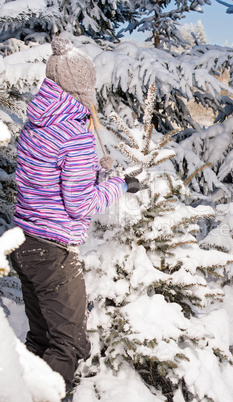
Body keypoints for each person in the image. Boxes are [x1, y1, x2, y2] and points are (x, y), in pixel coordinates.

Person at [10, 37, 137, 396]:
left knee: (40, 338)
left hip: (24, 244)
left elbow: (46, 182)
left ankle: (16, 392)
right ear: (83, 86)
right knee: (67, 345)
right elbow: (81, 206)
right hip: (54, 253)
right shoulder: (76, 138)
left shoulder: (36, 124)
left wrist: (95, 173)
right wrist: (121, 186)